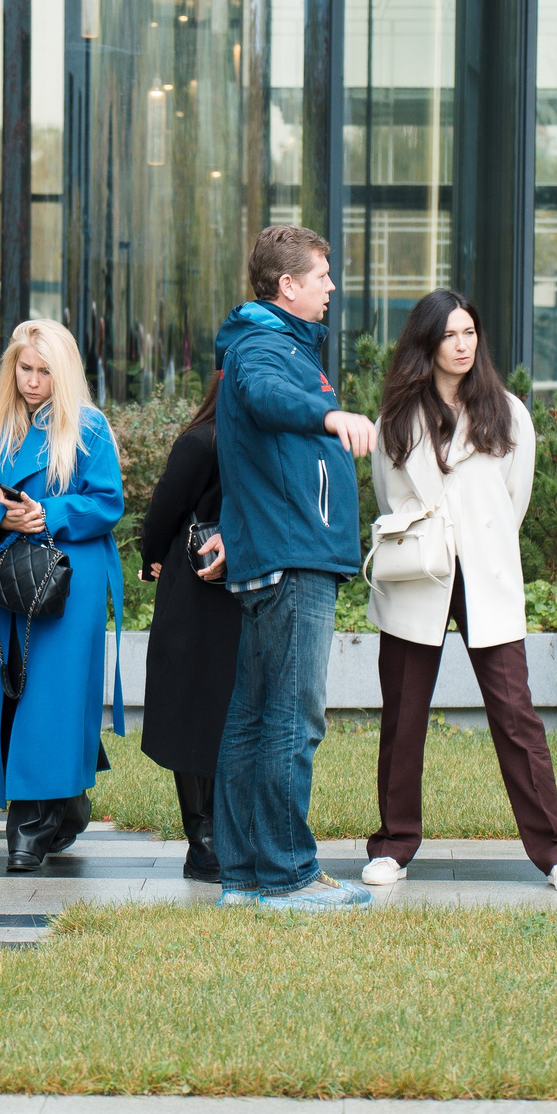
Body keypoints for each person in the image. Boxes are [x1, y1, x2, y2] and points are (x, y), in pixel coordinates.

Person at [362, 291, 557, 893]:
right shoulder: (396, 418)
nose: (462, 345)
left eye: (469, 333)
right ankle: (393, 845)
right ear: (427, 343)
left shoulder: (507, 413)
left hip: (486, 575)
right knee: (403, 717)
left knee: (516, 716)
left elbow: (515, 499)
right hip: (419, 576)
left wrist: (477, 542)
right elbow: (389, 498)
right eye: (449, 335)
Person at [210, 225, 374, 911]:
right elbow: (266, 397)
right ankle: (288, 876)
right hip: (293, 556)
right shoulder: (263, 347)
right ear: (288, 285)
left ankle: (246, 875)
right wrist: (329, 417)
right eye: (321, 275)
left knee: (254, 716)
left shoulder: (271, 343)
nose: (331, 286)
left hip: (280, 551)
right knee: (291, 719)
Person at [0, 319, 126, 874]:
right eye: (24, 368)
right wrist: (2, 518)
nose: (32, 381)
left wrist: (47, 512)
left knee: (50, 697)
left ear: (65, 372)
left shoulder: (88, 427)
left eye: (44, 371)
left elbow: (108, 501)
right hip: (11, 573)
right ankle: (62, 805)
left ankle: (30, 827)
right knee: (15, 694)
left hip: (69, 578)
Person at [136, 373, 235, 883]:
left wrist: (151, 556)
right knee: (210, 710)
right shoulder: (224, 442)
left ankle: (206, 841)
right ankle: (210, 840)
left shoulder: (203, 440)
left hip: (202, 589)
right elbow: (166, 509)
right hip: (222, 590)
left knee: (197, 708)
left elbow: (164, 510)